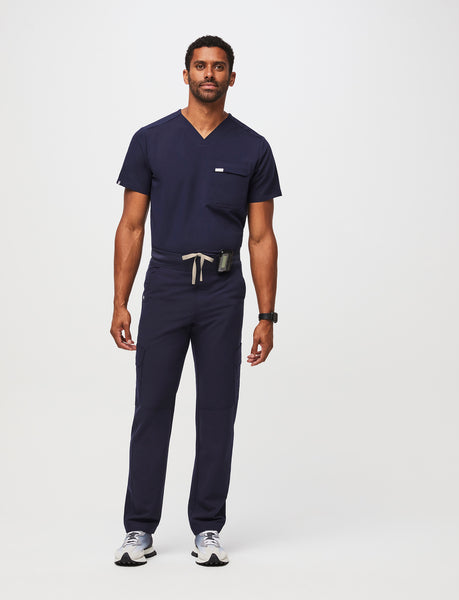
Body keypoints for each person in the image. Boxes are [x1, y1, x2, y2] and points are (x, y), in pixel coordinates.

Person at [111, 35, 281, 567]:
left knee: (217, 411)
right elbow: (132, 225)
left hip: (223, 294)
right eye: (201, 66)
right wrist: (120, 301)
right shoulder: (151, 140)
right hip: (165, 285)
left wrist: (267, 315)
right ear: (185, 74)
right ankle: (139, 529)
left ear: (232, 77)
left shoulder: (252, 148)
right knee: (151, 408)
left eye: (219, 67)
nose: (210, 74)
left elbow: (261, 237)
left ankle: (207, 527)